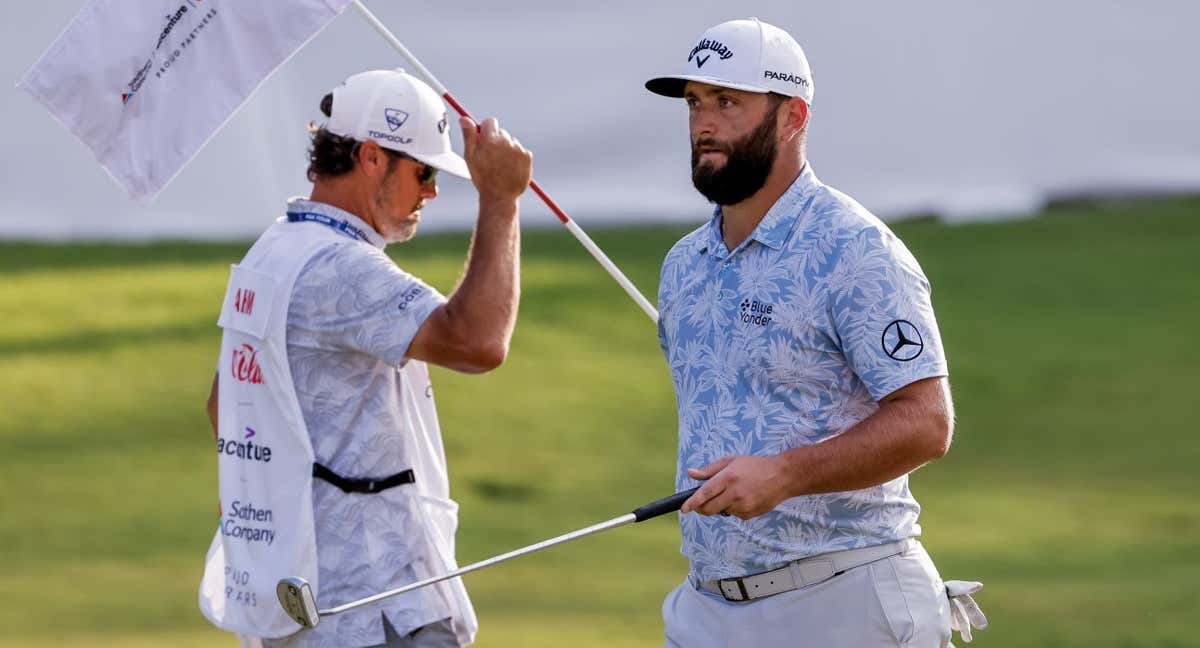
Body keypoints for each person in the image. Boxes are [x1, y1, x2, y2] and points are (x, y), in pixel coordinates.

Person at [644, 18, 986, 647]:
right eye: (694, 104)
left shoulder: (856, 249)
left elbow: (926, 421)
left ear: (792, 116)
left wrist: (785, 474)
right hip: (706, 606)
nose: (704, 124)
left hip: (845, 601)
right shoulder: (683, 267)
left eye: (728, 102)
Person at [198, 69, 532, 648]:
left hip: (300, 600)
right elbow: (478, 340)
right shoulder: (338, 267)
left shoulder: (273, 249)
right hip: (372, 605)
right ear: (373, 157)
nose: (430, 192)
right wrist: (501, 199)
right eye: (423, 172)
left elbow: (221, 406)